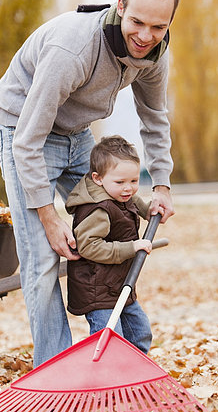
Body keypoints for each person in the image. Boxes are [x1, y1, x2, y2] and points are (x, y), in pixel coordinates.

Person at [0, 0, 180, 367]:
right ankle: (55, 367)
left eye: (158, 27)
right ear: (120, 7)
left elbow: (154, 117)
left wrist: (161, 184)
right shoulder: (74, 48)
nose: (146, 36)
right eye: (137, 22)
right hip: (24, 130)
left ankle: (113, 347)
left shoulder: (154, 54)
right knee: (43, 259)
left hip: (77, 134)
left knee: (113, 225)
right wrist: (48, 216)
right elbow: (27, 138)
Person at [66, 136, 153, 353]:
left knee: (140, 331)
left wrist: (151, 210)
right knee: (109, 342)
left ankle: (134, 375)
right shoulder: (99, 209)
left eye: (134, 181)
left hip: (119, 285)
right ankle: (106, 380)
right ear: (98, 179)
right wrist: (130, 248)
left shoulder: (121, 196)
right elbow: (88, 246)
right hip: (97, 289)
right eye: (121, 182)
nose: (128, 189)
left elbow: (135, 204)